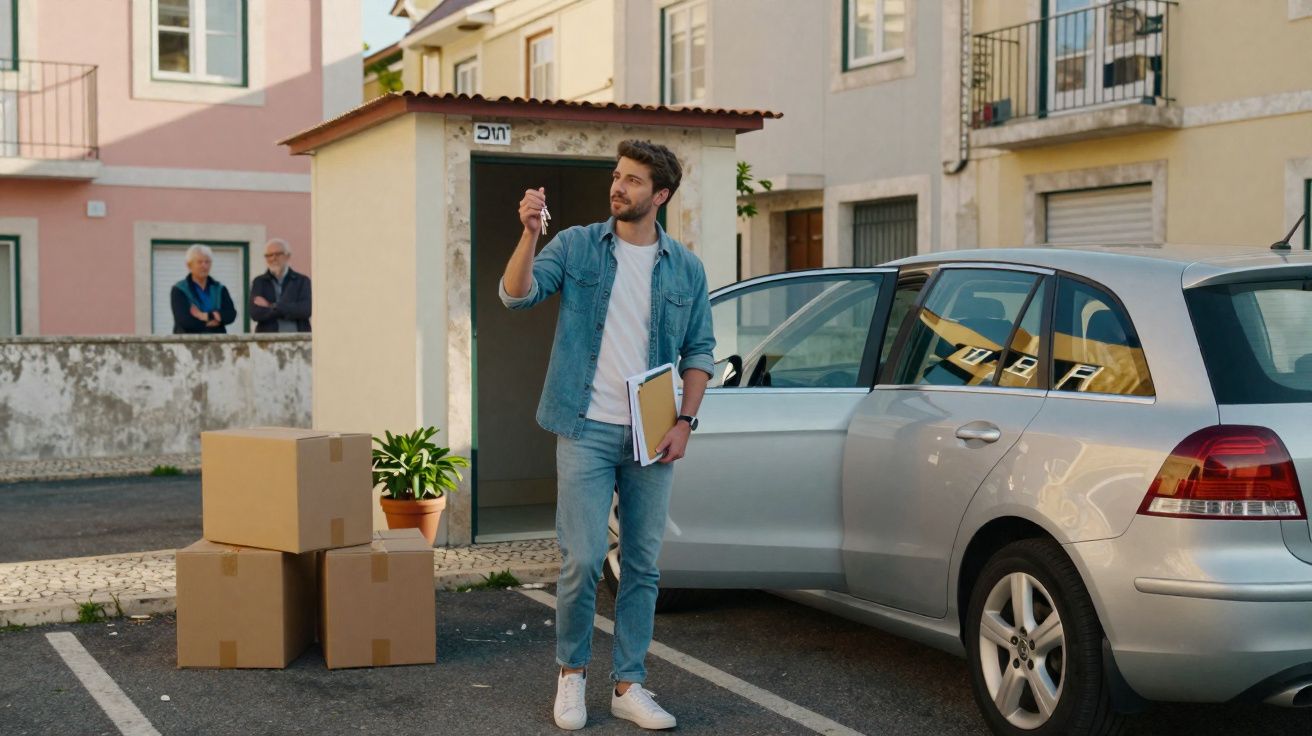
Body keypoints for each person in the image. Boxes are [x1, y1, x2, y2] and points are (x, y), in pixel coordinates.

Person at [500, 140, 715, 731]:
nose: (618, 187)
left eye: (633, 180)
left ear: (661, 195)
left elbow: (699, 351)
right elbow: (517, 295)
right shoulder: (574, 246)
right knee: (584, 559)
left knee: (643, 565)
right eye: (617, 176)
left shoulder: (686, 269)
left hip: (651, 432)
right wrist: (528, 234)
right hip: (586, 426)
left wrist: (685, 422)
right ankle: (572, 676)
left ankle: (629, 684)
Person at [171, 244, 237, 334]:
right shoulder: (179, 289)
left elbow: (230, 315)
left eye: (207, 262)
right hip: (188, 343)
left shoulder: (219, 288)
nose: (204, 266)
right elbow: (183, 320)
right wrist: (213, 322)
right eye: (199, 262)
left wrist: (206, 316)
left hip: (217, 342)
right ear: (189, 265)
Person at [250, 238, 312, 332]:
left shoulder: (302, 281)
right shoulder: (259, 282)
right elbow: (255, 314)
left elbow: (306, 310)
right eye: (269, 255)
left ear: (288, 256)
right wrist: (289, 308)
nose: (273, 258)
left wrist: (271, 306)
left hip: (298, 340)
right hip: (267, 341)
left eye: (278, 254)